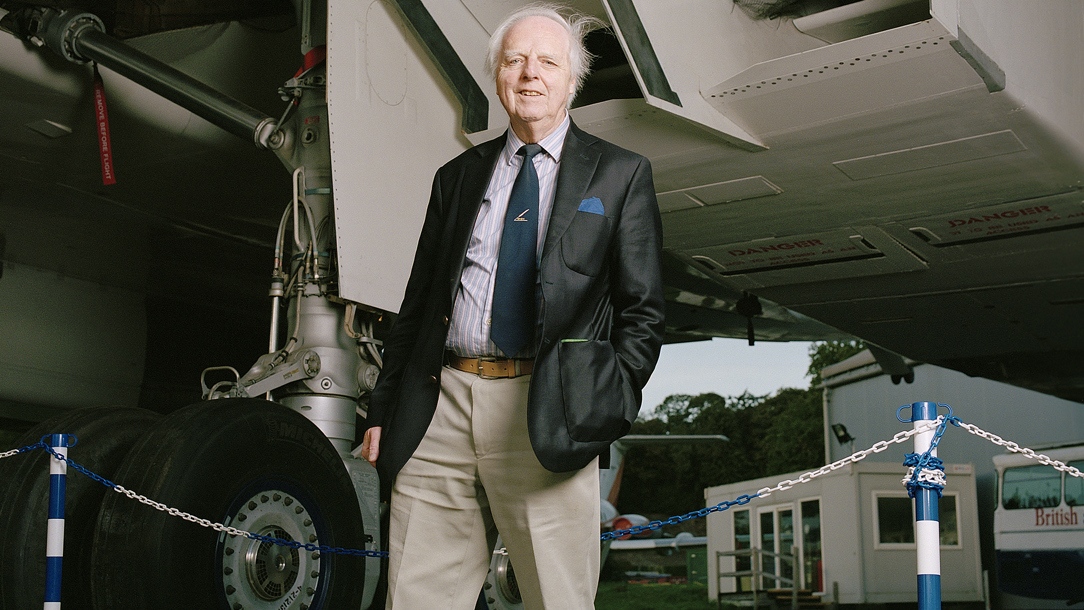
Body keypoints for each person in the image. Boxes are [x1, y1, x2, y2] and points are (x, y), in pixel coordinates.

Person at [360, 4, 665, 608]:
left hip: (547, 411)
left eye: (548, 61)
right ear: (497, 76)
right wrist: (382, 410)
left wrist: (603, 405)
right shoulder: (456, 176)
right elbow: (417, 306)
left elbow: (644, 312)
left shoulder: (619, 175)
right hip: (438, 410)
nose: (530, 74)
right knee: (414, 598)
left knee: (558, 598)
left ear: (572, 79)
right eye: (515, 60)